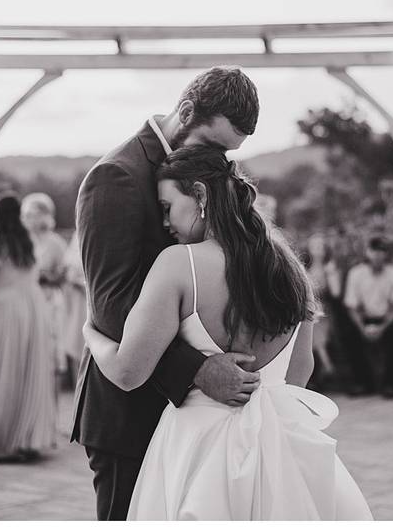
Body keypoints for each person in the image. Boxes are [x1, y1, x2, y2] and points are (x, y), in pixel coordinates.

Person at [82, 146, 372, 520]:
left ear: (200, 195)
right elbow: (299, 374)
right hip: (279, 447)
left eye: (168, 207)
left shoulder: (179, 264)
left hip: (197, 444)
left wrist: (93, 331)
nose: (165, 223)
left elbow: (127, 373)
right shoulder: (291, 269)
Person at [73, 67, 265, 521]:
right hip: (132, 410)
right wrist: (199, 370)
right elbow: (112, 307)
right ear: (184, 113)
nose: (220, 161)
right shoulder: (116, 177)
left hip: (200, 422)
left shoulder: (198, 178)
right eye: (213, 145)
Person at [0, 194, 58, 462]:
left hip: (6, 309)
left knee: (5, 370)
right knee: (29, 371)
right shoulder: (28, 240)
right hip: (34, 307)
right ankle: (26, 439)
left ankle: (0, 441)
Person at [342, 237, 393, 399]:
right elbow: (352, 307)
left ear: (386, 254)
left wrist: (382, 328)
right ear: (367, 253)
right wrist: (362, 328)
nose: (377, 256)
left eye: (381, 252)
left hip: (387, 319)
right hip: (363, 319)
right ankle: (362, 383)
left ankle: (391, 384)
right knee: (349, 335)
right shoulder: (356, 273)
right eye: (374, 251)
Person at [21, 193, 68, 377]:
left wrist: (47, 276)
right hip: (25, 300)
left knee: (50, 344)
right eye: (27, 214)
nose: (30, 219)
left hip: (49, 299)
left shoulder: (55, 242)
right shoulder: (22, 242)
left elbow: (62, 275)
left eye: (34, 214)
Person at [304, 233, 337, 387]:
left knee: (316, 325)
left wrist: (330, 274)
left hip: (326, 313)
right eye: (314, 245)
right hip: (309, 311)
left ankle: (325, 365)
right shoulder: (304, 268)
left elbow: (336, 292)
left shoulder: (329, 268)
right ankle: (326, 364)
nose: (317, 249)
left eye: (320, 246)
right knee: (312, 322)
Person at [59, 234, 88, 388]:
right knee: (78, 340)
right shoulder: (77, 238)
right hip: (80, 301)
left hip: (91, 298)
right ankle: (79, 384)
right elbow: (69, 274)